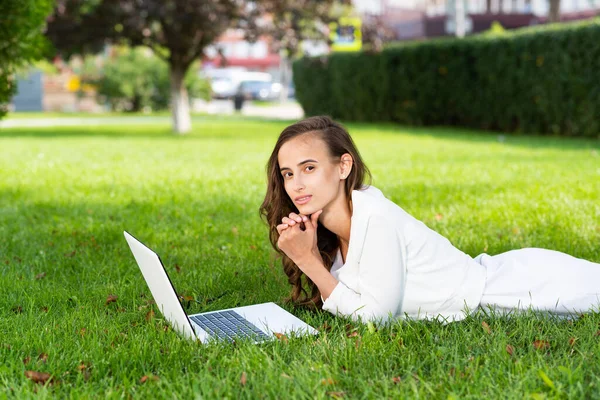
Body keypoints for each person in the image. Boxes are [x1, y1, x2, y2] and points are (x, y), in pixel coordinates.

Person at [259, 115, 600, 323]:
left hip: (520, 288)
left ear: (343, 167)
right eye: (288, 174)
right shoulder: (330, 231)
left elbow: (375, 318)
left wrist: (307, 261)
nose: (296, 184)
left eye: (309, 168)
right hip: (501, 284)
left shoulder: (375, 217)